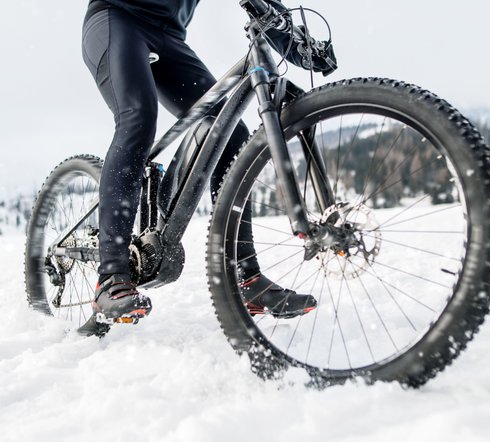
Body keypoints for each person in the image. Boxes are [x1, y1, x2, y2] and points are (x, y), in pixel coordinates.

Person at [78, 0, 316, 336]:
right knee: (137, 120)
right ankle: (111, 276)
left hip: (168, 35)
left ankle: (245, 277)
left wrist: (297, 41)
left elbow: (265, 8)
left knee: (230, 130)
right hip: (116, 18)